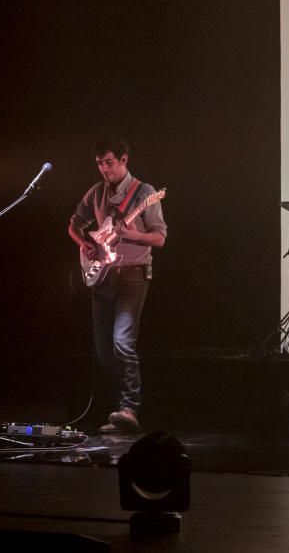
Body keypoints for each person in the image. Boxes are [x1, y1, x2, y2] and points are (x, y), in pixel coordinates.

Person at [68, 134, 167, 433]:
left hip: (134, 275)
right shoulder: (96, 193)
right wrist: (83, 244)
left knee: (123, 343)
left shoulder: (145, 193)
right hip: (103, 277)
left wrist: (133, 234)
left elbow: (160, 238)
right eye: (99, 164)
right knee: (103, 351)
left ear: (124, 160)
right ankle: (117, 411)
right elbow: (74, 225)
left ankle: (130, 409)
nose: (104, 169)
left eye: (109, 163)